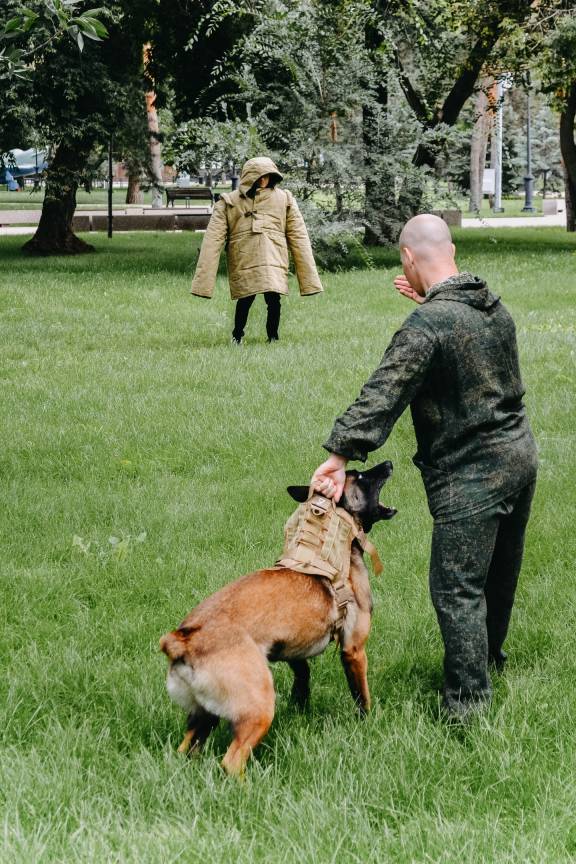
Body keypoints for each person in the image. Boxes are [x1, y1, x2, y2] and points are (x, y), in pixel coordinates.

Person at [311, 214, 538, 718]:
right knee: (499, 577)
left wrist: (338, 455)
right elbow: (462, 348)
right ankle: (488, 660)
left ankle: (467, 705)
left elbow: (382, 394)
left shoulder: (429, 327)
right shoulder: (490, 306)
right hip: (520, 457)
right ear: (450, 249)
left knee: (457, 589)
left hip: (472, 474)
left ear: (409, 259)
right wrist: (430, 312)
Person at [191, 156, 323, 343]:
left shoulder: (284, 199)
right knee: (245, 298)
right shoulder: (229, 202)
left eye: (267, 176)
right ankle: (237, 335)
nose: (263, 180)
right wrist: (203, 282)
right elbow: (212, 240)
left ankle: (273, 337)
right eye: (259, 176)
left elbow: (299, 235)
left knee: (273, 299)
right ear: (249, 177)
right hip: (245, 256)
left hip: (273, 255)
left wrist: (309, 277)